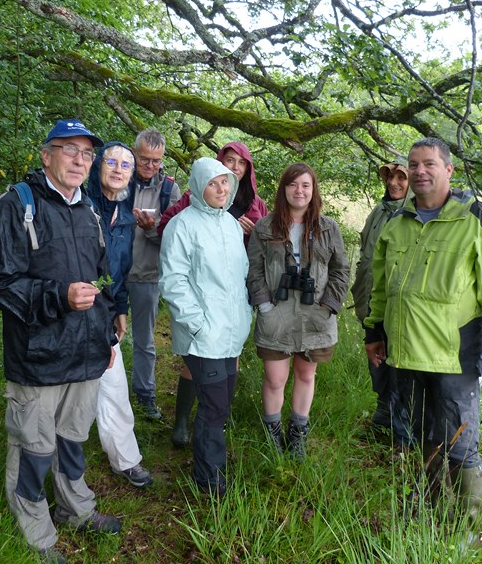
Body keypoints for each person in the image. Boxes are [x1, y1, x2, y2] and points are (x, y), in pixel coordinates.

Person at [0, 119, 121, 564]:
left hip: (84, 353)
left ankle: (76, 509)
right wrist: (57, 296)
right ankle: (37, 535)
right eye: (69, 150)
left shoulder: (91, 211)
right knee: (33, 448)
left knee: (73, 440)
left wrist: (111, 319)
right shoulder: (17, 206)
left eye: (86, 153)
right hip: (37, 355)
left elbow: (101, 276)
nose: (80, 160)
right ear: (46, 155)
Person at [363, 137, 482, 528]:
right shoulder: (397, 224)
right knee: (418, 437)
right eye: (413, 164)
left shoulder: (478, 222)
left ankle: (463, 530)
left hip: (453, 357)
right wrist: (374, 332)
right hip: (403, 353)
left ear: (448, 170)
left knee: (461, 445)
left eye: (429, 164)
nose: (419, 171)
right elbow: (381, 288)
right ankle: (425, 513)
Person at [158, 141, 268, 448]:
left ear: (246, 170)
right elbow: (172, 259)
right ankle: (187, 425)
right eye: (228, 161)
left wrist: (252, 232)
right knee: (200, 369)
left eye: (239, 164)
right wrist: (196, 321)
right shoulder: (188, 213)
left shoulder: (254, 204)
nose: (232, 169)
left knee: (224, 381)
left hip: (233, 307)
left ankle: (214, 422)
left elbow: (266, 246)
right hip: (202, 307)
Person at [246, 163, 350, 460]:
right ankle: (273, 433)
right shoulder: (265, 228)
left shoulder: (328, 228)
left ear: (313, 190)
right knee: (275, 378)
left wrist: (329, 305)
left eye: (305, 185)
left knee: (306, 375)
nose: (299, 191)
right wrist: (263, 304)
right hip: (276, 313)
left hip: (315, 314)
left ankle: (298, 434)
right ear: (284, 190)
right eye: (293, 185)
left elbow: (341, 270)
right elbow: (253, 270)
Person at [86, 142, 153, 488]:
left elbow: (121, 269)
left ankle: (126, 459)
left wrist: (120, 309)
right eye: (110, 161)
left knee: (113, 383)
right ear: (98, 166)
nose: (117, 168)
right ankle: (58, 457)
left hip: (105, 311)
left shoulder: (126, 216)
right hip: (72, 307)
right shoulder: (82, 205)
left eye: (125, 164)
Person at [351, 155, 411, 442]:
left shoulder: (413, 215)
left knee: (399, 363)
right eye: (390, 177)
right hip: (369, 303)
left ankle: (402, 427)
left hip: (397, 307)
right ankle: (383, 411)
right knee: (376, 359)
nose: (394, 183)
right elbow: (365, 254)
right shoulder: (378, 211)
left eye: (401, 177)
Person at [128, 129, 181, 420]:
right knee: (99, 334)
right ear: (134, 154)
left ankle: (145, 396)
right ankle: (96, 393)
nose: (150, 166)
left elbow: (171, 240)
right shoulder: (117, 176)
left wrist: (151, 228)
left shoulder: (168, 189)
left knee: (144, 339)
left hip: (147, 273)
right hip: (112, 272)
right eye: (144, 159)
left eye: (156, 161)